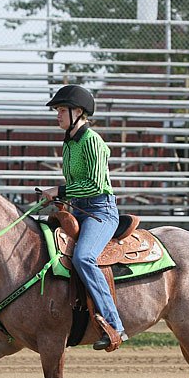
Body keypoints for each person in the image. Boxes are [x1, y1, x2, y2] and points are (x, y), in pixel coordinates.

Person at [40, 85, 127, 351]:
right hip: (77, 208)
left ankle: (115, 326)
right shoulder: (69, 142)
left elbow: (96, 185)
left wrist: (59, 190)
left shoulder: (92, 141)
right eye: (56, 111)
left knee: (83, 257)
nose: (57, 115)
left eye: (61, 110)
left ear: (78, 112)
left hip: (100, 211)